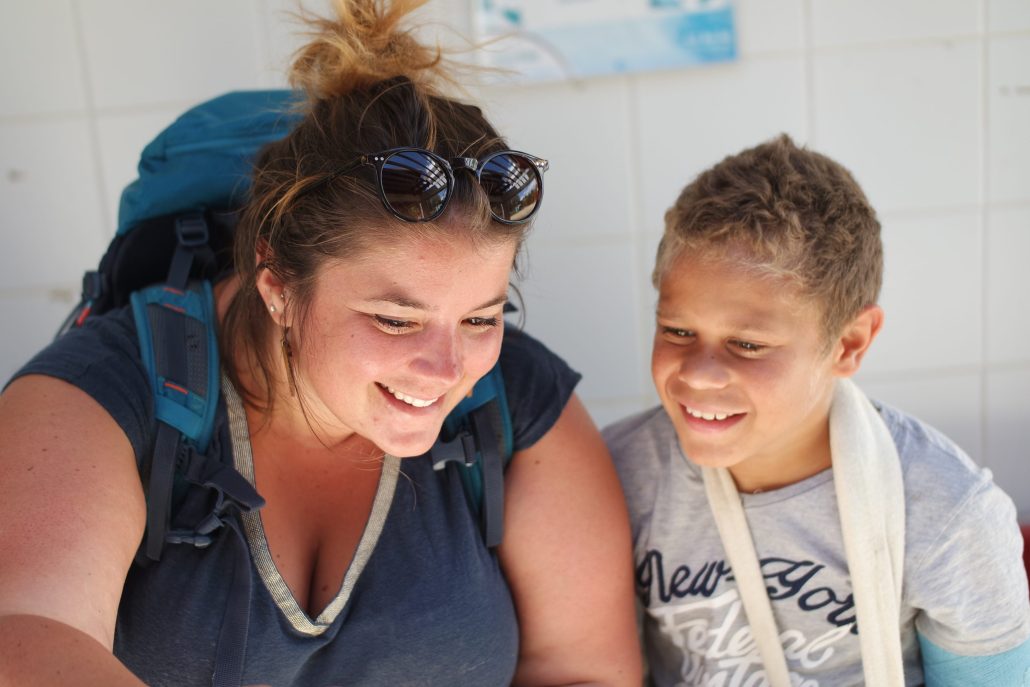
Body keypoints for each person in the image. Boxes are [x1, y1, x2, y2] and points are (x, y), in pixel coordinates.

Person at [0, 1, 641, 685]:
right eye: (395, 320)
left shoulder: (517, 403)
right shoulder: (96, 396)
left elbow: (584, 670)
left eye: (481, 319)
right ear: (276, 284)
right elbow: (26, 635)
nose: (448, 369)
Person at [604, 134, 1030, 685]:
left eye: (748, 345)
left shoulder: (949, 516)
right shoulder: (613, 478)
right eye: (677, 331)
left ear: (850, 343)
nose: (698, 374)